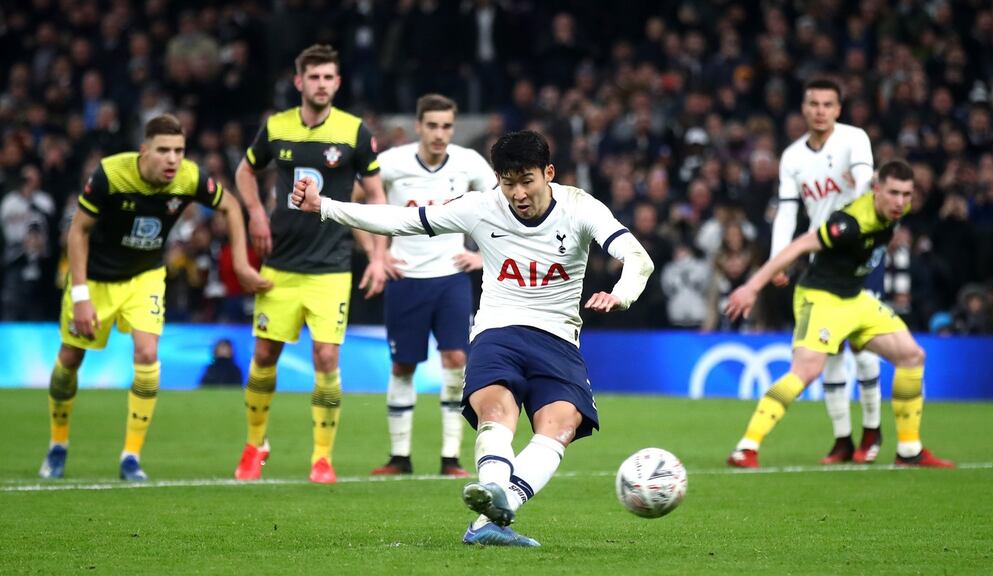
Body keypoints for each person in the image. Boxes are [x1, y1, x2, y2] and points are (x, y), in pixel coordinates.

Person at [291, 131, 654, 546]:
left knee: (562, 423)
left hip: (557, 336)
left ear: (549, 173)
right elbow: (403, 220)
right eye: (507, 181)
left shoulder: (578, 207)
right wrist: (325, 207)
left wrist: (621, 295)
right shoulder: (480, 207)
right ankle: (496, 496)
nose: (517, 192)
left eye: (527, 180)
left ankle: (494, 516)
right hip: (497, 329)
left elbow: (637, 259)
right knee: (496, 411)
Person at [38, 113, 269, 481]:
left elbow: (229, 206)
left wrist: (240, 263)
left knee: (147, 354)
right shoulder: (110, 175)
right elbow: (78, 232)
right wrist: (80, 296)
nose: (173, 159)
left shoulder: (190, 177)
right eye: (164, 150)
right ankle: (58, 445)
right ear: (145, 150)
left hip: (145, 276)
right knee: (70, 359)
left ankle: (131, 457)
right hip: (95, 279)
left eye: (179, 150)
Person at [725, 160, 954, 469]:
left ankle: (909, 451)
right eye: (894, 193)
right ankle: (746, 448)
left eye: (906, 194)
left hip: (855, 298)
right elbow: (799, 246)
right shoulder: (849, 223)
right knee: (806, 371)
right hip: (821, 298)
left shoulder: (893, 206)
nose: (900, 201)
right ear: (877, 191)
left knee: (912, 356)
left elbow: (873, 177)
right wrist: (752, 287)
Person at [232, 44, 391, 484]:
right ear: (299, 82)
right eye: (314, 77)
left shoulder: (354, 132)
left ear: (338, 83)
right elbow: (246, 172)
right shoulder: (276, 127)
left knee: (325, 357)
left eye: (329, 78)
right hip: (280, 262)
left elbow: (376, 195)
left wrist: (378, 257)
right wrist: (256, 213)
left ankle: (322, 458)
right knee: (265, 353)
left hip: (331, 264)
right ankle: (255, 444)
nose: (322, 85)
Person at [367, 94, 496, 478]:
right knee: (403, 364)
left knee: (456, 361)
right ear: (419, 126)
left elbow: (501, 207)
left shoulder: (469, 163)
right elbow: (361, 202)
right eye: (433, 126)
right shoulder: (391, 163)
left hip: (451, 278)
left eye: (447, 126)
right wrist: (378, 255)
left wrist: (481, 257)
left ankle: (450, 459)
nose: (440, 134)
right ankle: (399, 457)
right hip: (404, 277)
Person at [772, 78, 884, 464]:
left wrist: (863, 188)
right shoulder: (792, 158)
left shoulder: (854, 139)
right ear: (804, 109)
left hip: (862, 255)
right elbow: (788, 212)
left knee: (864, 346)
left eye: (827, 104)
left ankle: (873, 430)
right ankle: (842, 440)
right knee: (830, 351)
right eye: (813, 103)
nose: (820, 110)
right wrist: (778, 259)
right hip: (823, 261)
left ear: (839, 108)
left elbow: (867, 186)